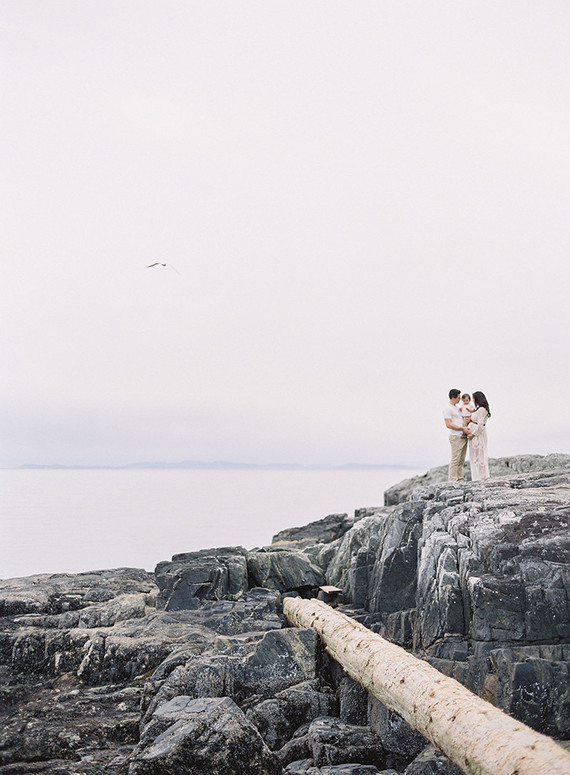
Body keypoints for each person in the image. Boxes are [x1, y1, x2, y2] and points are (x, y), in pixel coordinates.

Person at [465, 391, 491, 481]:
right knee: (475, 456)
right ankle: (476, 477)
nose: (472, 400)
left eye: (473, 398)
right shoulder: (479, 409)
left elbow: (480, 425)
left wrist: (473, 433)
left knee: (479, 456)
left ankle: (481, 477)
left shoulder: (481, 410)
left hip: (478, 435)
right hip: (476, 435)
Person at [443, 389, 468, 481]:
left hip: (463, 436)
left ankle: (460, 479)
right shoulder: (447, 409)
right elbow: (448, 424)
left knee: (461, 460)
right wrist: (462, 428)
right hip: (456, 436)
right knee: (455, 460)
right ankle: (453, 480)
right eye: (458, 398)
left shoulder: (457, 408)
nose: (460, 400)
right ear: (453, 398)